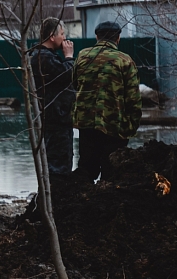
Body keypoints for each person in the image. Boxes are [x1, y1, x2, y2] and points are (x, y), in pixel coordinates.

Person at [72, 20, 142, 182]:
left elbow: (75, 84)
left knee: (86, 169)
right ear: (118, 39)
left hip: (86, 123)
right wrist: (131, 126)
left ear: (97, 37)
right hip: (115, 124)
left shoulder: (83, 56)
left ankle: (82, 203)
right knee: (112, 170)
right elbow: (133, 98)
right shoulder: (124, 61)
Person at [29, 17, 76, 176]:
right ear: (51, 36)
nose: (64, 38)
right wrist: (69, 57)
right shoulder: (44, 57)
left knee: (58, 160)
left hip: (55, 118)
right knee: (58, 164)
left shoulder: (43, 56)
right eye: (62, 34)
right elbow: (66, 75)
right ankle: (57, 197)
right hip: (55, 119)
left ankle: (54, 196)